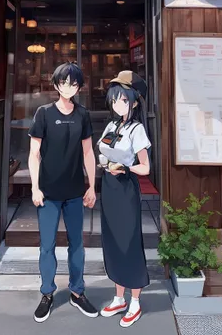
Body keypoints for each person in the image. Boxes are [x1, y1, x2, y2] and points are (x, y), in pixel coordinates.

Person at [28, 62, 98, 323]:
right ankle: (47, 293)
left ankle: (77, 292)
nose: (69, 87)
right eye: (65, 83)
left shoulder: (83, 114)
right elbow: (34, 154)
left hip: (74, 192)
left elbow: (88, 152)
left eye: (74, 83)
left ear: (79, 86)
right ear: (56, 84)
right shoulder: (43, 113)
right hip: (47, 193)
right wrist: (35, 187)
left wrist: (92, 186)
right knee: (47, 247)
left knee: (77, 246)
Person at [97, 71, 151, 328]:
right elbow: (103, 152)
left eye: (123, 100)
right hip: (108, 187)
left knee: (129, 242)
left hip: (126, 188)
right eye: (114, 100)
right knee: (113, 241)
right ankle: (119, 297)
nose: (118, 105)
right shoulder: (111, 126)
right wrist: (105, 163)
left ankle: (136, 301)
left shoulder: (136, 129)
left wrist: (125, 168)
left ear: (135, 101)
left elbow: (145, 167)